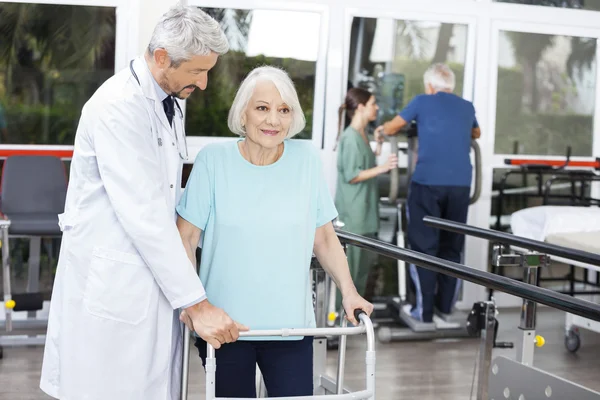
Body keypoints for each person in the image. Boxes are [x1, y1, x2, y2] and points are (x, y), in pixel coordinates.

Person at [40, 6, 247, 400]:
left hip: (146, 277)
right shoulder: (119, 107)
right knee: (108, 387)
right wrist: (197, 304)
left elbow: (166, 192)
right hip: (114, 279)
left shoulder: (169, 97)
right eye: (197, 72)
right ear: (162, 57)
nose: (203, 84)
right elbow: (146, 215)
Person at [176, 66, 374, 398]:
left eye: (283, 110)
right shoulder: (213, 161)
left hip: (290, 327)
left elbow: (324, 238)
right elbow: (185, 238)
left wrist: (350, 292)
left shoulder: (306, 162)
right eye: (262, 108)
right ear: (243, 114)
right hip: (226, 326)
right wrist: (195, 304)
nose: (273, 120)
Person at [382, 63, 481, 325]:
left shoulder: (422, 101)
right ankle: (444, 309)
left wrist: (387, 129)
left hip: (428, 184)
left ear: (429, 85)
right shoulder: (466, 106)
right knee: (451, 247)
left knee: (423, 247)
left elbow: (392, 128)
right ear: (451, 86)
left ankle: (422, 313)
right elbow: (476, 132)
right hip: (460, 185)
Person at [334, 88, 397, 310]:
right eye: (372, 103)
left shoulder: (362, 134)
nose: (376, 107)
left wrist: (378, 144)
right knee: (352, 272)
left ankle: (354, 318)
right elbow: (352, 175)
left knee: (362, 269)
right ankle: (341, 321)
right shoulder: (350, 137)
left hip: (366, 212)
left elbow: (365, 163)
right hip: (354, 214)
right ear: (360, 107)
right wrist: (383, 168)